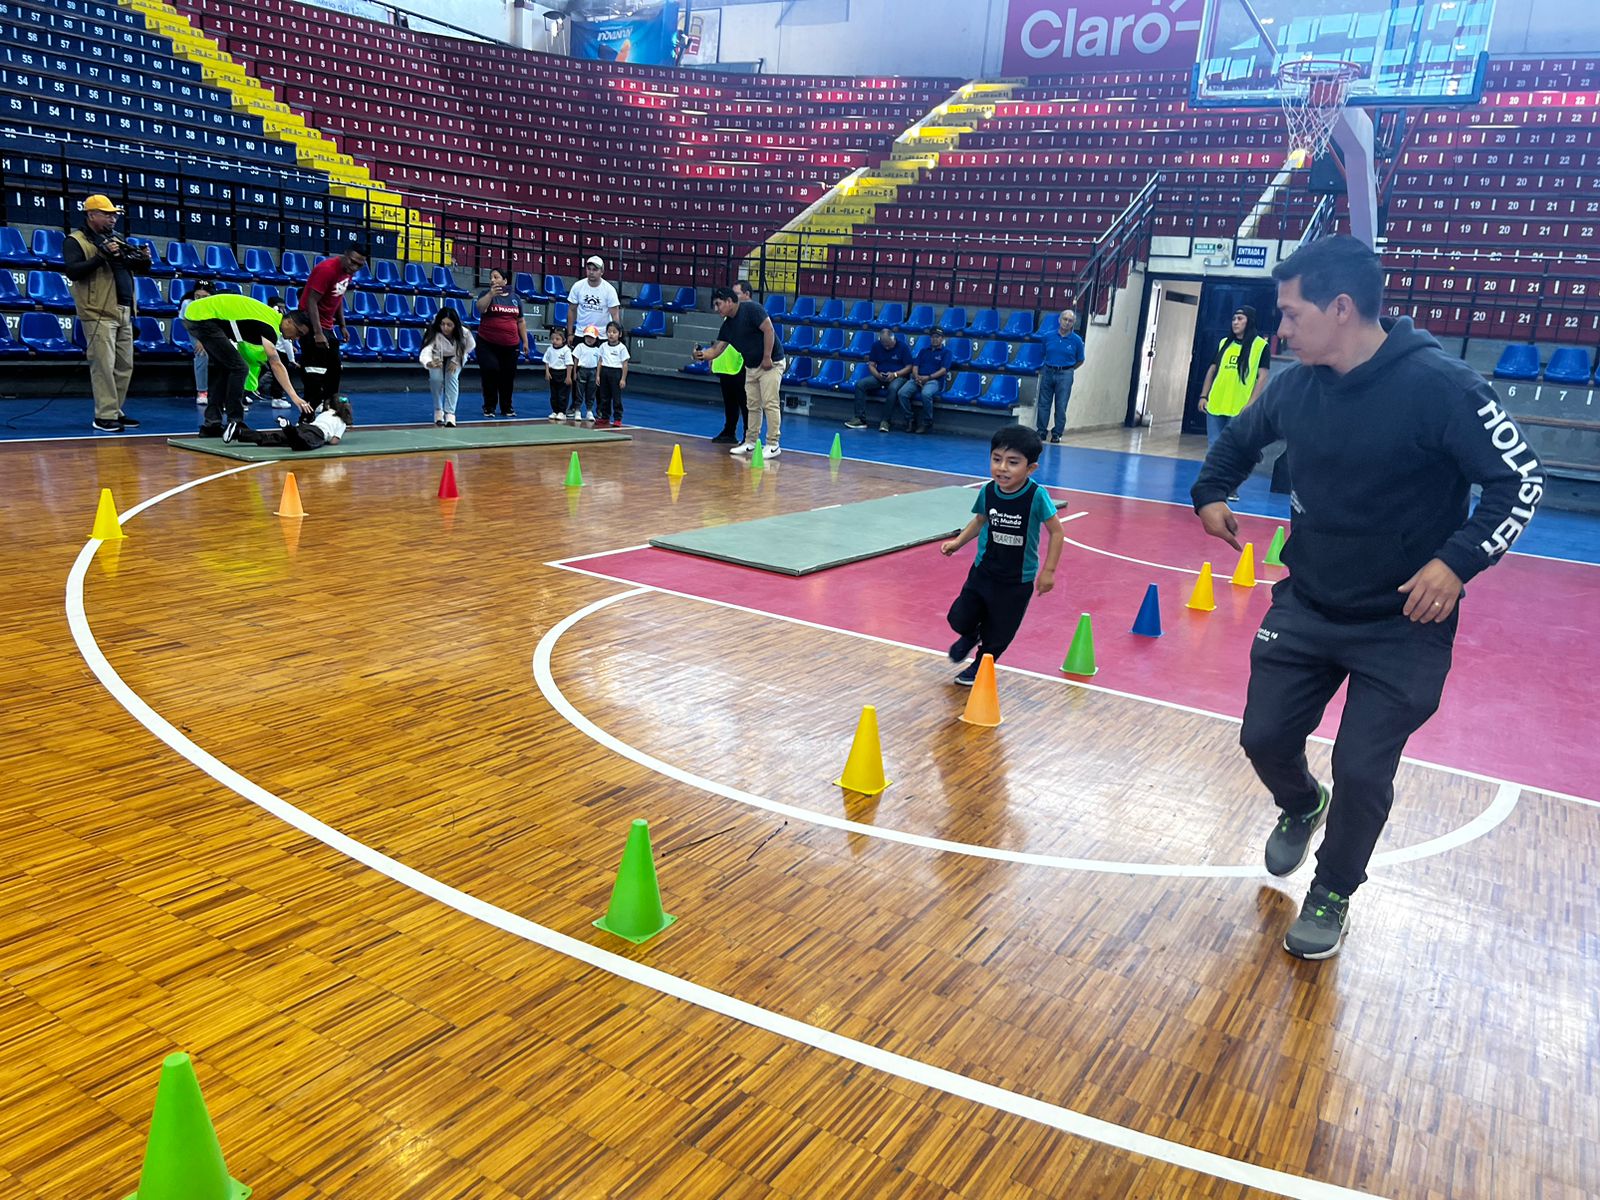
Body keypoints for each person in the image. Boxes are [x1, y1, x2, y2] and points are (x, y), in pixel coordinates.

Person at [1190, 235, 1543, 961]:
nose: (1280, 330)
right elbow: (1239, 439)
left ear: (1340, 309)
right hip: (1310, 603)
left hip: (1404, 624)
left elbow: (1520, 482)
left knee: (1361, 768)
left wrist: (1456, 563)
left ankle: (1333, 890)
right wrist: (1210, 492)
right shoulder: (1294, 385)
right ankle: (1299, 803)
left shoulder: (1444, 387)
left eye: (1289, 314)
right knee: (1262, 738)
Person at [939, 424, 1065, 685]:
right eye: (997, 459)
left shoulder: (1036, 496)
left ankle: (980, 665)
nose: (1002, 468)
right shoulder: (988, 491)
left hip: (1016, 580)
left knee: (999, 633)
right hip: (983, 570)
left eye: (1013, 462)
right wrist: (958, 542)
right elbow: (980, 520)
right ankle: (970, 634)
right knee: (959, 616)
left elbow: (1057, 532)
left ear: (1030, 468)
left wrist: (1049, 571)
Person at [62, 194, 152, 432]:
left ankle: (115, 410)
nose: (113, 219)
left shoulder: (117, 239)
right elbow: (73, 271)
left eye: (114, 214)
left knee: (125, 365)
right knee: (103, 365)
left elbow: (134, 268)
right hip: (97, 310)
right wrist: (100, 256)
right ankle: (104, 415)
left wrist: (144, 260)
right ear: (92, 215)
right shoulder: (76, 241)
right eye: (108, 214)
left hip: (124, 309)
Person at [182, 292, 312, 436]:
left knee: (227, 369)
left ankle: (211, 425)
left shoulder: (270, 317)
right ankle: (235, 422)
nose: (297, 338)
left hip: (197, 314)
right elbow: (275, 363)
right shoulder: (270, 327)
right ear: (289, 322)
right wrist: (294, 396)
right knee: (240, 368)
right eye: (298, 332)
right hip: (202, 317)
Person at [693, 286, 785, 457]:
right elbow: (716, 350)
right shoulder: (728, 326)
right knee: (752, 405)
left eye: (718, 304)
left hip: (771, 363)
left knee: (770, 402)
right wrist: (700, 355)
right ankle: (750, 441)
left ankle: (773, 444)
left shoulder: (752, 309)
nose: (716, 309)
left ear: (729, 301)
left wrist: (767, 357)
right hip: (751, 366)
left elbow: (769, 330)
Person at [298, 243, 368, 410]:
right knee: (314, 373)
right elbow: (311, 301)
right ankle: (307, 415)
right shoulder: (327, 269)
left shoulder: (347, 273)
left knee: (334, 369)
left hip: (327, 325)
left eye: (360, 265)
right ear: (345, 255)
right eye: (353, 262)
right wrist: (317, 333)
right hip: (310, 323)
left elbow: (338, 297)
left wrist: (342, 325)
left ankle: (328, 408)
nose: (355, 267)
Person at [1198, 305, 1271, 446]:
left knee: (1233, 446)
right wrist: (1204, 395)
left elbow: (1262, 377)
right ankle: (1214, 469)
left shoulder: (1260, 346)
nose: (1235, 322)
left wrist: (1251, 404)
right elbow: (1212, 370)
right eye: (1233, 319)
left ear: (1249, 321)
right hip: (1216, 403)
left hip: (1240, 407)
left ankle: (1230, 469)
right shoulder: (1224, 343)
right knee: (1213, 444)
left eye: (1240, 318)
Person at [475, 268, 531, 418]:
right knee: (490, 370)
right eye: (491, 277)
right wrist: (491, 294)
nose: (492, 280)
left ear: (505, 280)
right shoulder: (485, 295)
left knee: (508, 376)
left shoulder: (515, 298)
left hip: (511, 345)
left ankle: (507, 407)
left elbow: (520, 320)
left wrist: (525, 341)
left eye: (496, 277)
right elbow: (480, 308)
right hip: (487, 343)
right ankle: (489, 406)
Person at [226, 396, 352, 451]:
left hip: (305, 427)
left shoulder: (325, 413)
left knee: (272, 438)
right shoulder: (342, 422)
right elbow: (334, 441)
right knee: (302, 445)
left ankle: (239, 432)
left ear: (329, 405)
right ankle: (288, 428)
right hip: (317, 433)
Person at [1034, 309, 1085, 444]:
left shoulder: (1077, 340)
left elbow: (1080, 359)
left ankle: (1057, 433)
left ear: (1073, 323)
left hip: (1065, 374)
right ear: (1059, 320)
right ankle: (1041, 431)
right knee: (1043, 403)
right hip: (1048, 371)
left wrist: (1068, 369)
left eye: (1070, 321)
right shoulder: (1048, 336)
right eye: (1065, 319)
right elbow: (1043, 352)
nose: (1067, 322)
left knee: (1061, 405)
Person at [846, 328, 911, 430]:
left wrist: (894, 374)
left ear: (893, 339)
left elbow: (909, 367)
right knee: (860, 385)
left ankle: (886, 421)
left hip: (898, 377)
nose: (887, 347)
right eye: (884, 345)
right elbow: (871, 365)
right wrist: (877, 375)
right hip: (881, 376)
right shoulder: (876, 345)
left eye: (889, 345)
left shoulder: (903, 347)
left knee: (893, 388)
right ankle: (860, 419)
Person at [419, 308, 475, 426]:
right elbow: (426, 350)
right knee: (436, 379)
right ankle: (438, 410)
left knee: (452, 378)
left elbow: (470, 346)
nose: (445, 328)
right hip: (436, 356)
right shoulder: (433, 332)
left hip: (456, 355)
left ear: (455, 324)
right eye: (442, 324)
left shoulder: (464, 333)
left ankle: (450, 414)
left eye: (449, 325)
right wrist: (429, 363)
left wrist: (457, 359)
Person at [892, 327, 952, 434]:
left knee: (926, 394)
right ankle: (910, 419)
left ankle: (927, 422)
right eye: (933, 337)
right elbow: (915, 366)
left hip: (934, 381)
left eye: (937, 337)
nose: (935, 339)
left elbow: (943, 370)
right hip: (918, 378)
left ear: (942, 339)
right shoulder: (923, 351)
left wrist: (928, 377)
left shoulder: (946, 352)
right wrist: (916, 376)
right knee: (902, 393)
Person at [178, 278, 214, 408]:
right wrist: (199, 340)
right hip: (194, 329)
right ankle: (202, 391)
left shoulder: (216, 303)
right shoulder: (187, 303)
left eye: (204, 296)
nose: (200, 299)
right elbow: (186, 322)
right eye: (197, 296)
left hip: (214, 331)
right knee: (201, 353)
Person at [566, 255, 620, 342]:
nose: (591, 272)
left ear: (601, 272)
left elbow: (615, 315)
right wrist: (570, 334)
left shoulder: (609, 290)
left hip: (602, 335)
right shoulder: (577, 286)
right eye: (589, 269)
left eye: (595, 270)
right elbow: (571, 310)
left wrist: (614, 337)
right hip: (581, 333)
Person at [708, 338, 745, 444]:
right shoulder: (727, 323)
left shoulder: (745, 322)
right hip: (726, 365)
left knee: (745, 404)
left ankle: (749, 436)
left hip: (741, 365)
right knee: (729, 402)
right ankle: (729, 432)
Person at [596, 319, 630, 427]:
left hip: (616, 373)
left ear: (619, 334)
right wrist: (597, 375)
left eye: (614, 332)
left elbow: (624, 364)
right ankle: (605, 417)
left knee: (616, 397)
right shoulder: (603, 346)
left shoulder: (622, 348)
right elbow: (600, 361)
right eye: (609, 332)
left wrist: (623, 379)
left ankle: (617, 418)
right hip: (604, 372)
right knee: (604, 397)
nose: (611, 334)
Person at [572, 325, 602, 422]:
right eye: (587, 337)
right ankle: (577, 410)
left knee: (591, 392)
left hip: (593, 371)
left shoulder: (598, 350)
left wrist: (597, 375)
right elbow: (575, 360)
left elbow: (599, 363)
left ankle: (589, 410)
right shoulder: (580, 347)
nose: (589, 339)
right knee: (579, 391)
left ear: (596, 339)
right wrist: (574, 372)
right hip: (582, 370)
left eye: (592, 338)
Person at [543, 326, 574, 420]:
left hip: (563, 373)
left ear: (563, 340)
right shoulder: (549, 349)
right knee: (554, 395)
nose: (554, 341)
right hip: (553, 373)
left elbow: (569, 364)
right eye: (552, 339)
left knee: (562, 394)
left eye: (557, 339)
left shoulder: (566, 350)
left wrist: (568, 377)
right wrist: (547, 372)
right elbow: (546, 361)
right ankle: (555, 411)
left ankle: (562, 412)